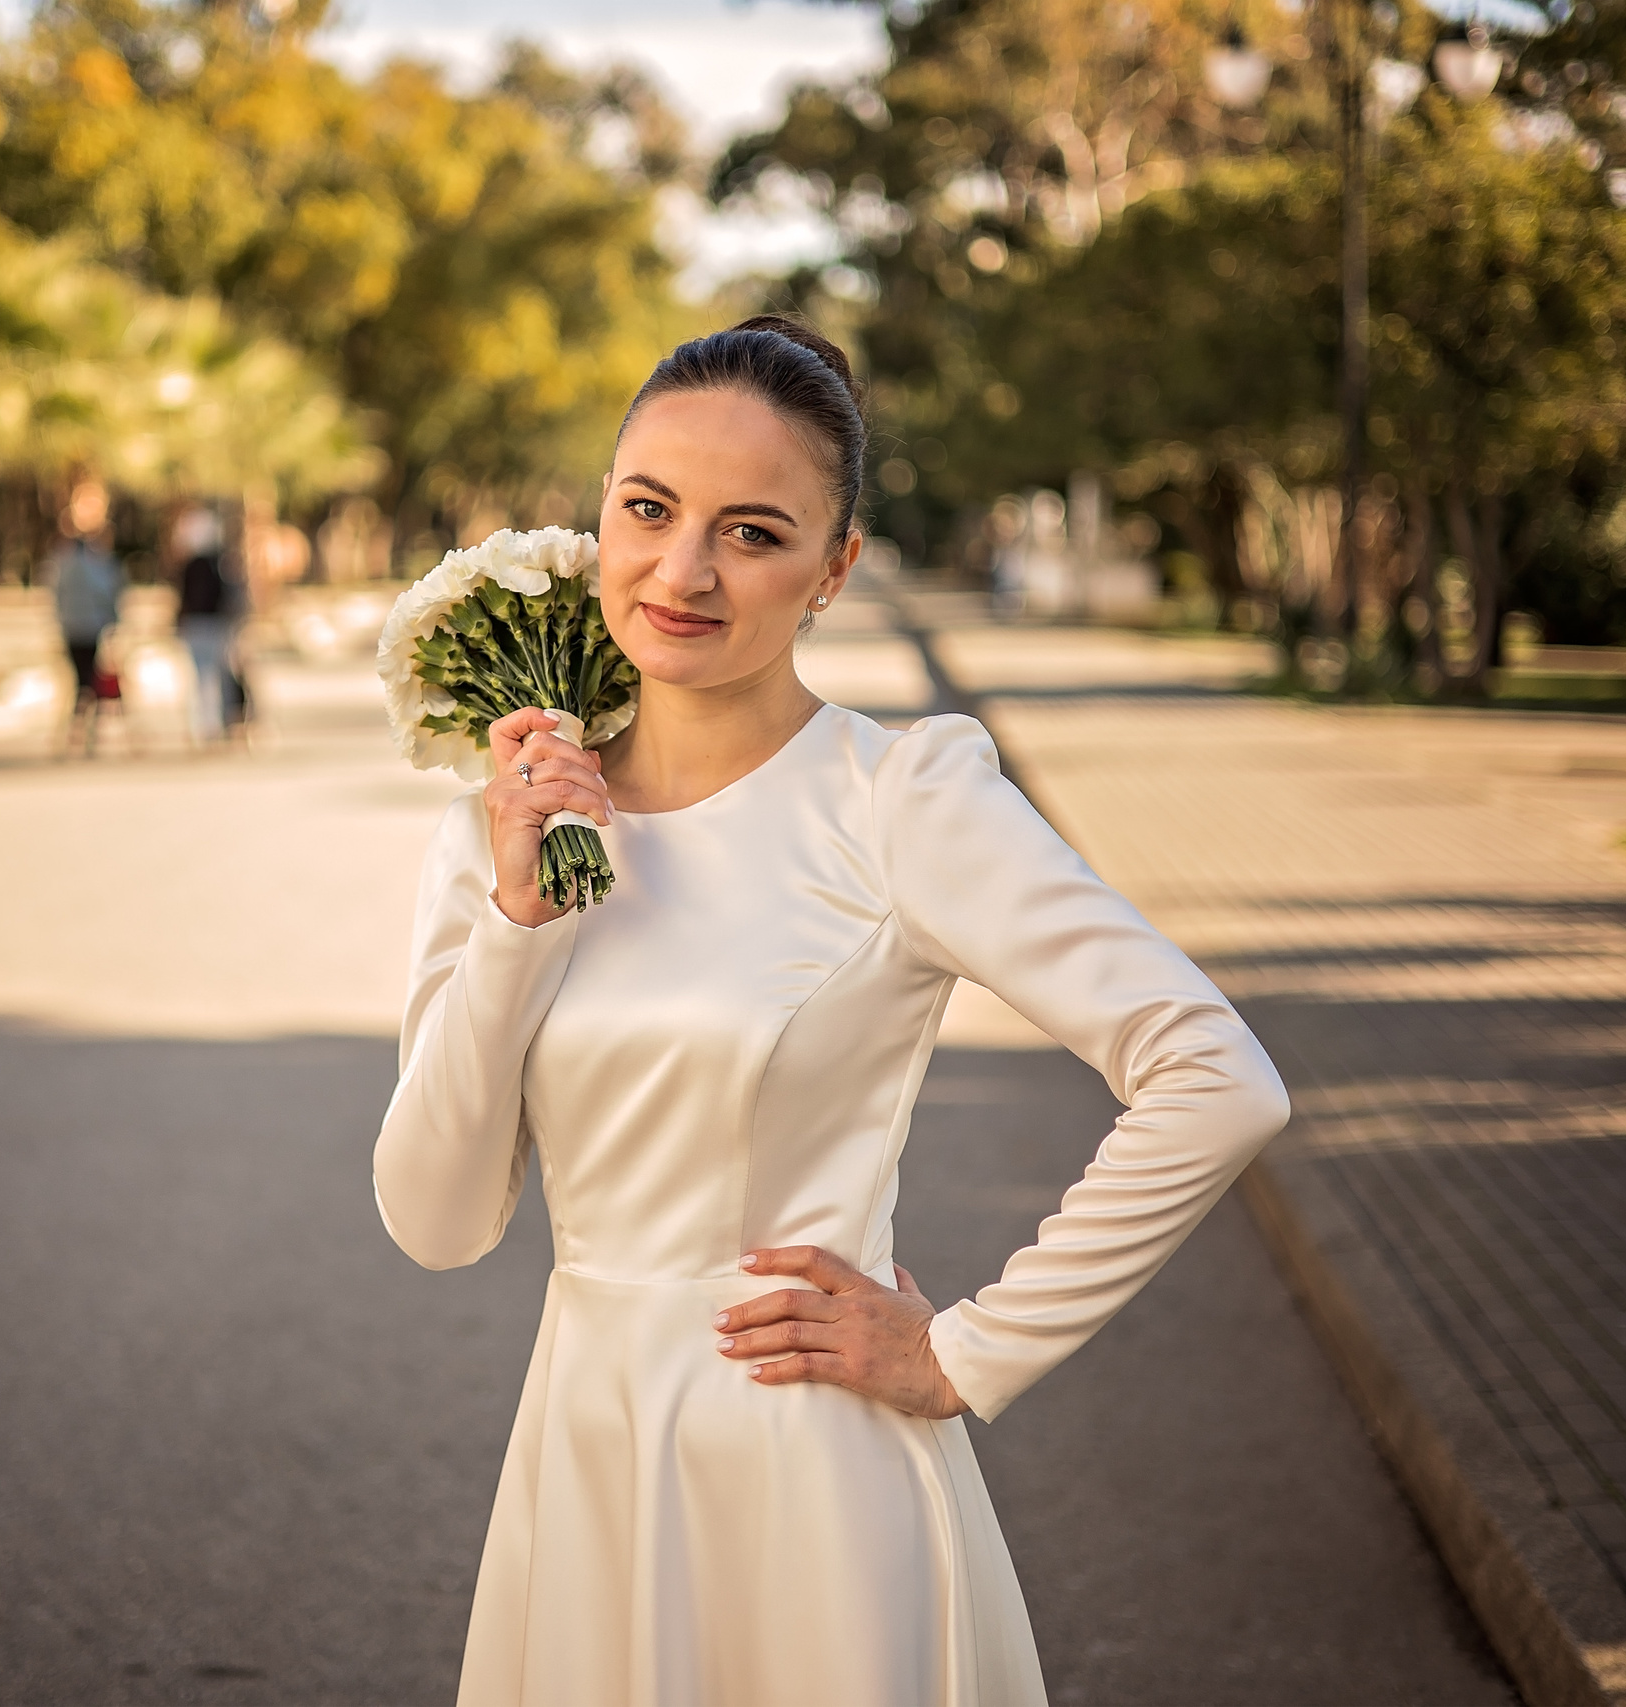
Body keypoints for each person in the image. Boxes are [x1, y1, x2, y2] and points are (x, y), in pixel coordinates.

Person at [372, 318, 1290, 1706]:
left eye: (751, 532)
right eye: (648, 509)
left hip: (807, 1479)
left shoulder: (898, 797)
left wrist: (969, 1348)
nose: (681, 571)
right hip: (585, 1454)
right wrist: (515, 920)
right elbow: (437, 1224)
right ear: (599, 515)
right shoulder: (499, 830)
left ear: (834, 569)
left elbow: (1218, 1074)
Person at [49, 481, 122, 757]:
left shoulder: (66, 562)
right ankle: (81, 731)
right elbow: (108, 592)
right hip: (87, 626)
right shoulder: (89, 563)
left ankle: (80, 732)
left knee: (85, 681)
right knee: (86, 682)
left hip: (78, 626)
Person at [173, 506, 241, 745]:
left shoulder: (201, 565)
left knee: (203, 679)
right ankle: (209, 726)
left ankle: (206, 726)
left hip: (202, 626)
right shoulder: (212, 564)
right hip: (207, 626)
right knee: (208, 678)